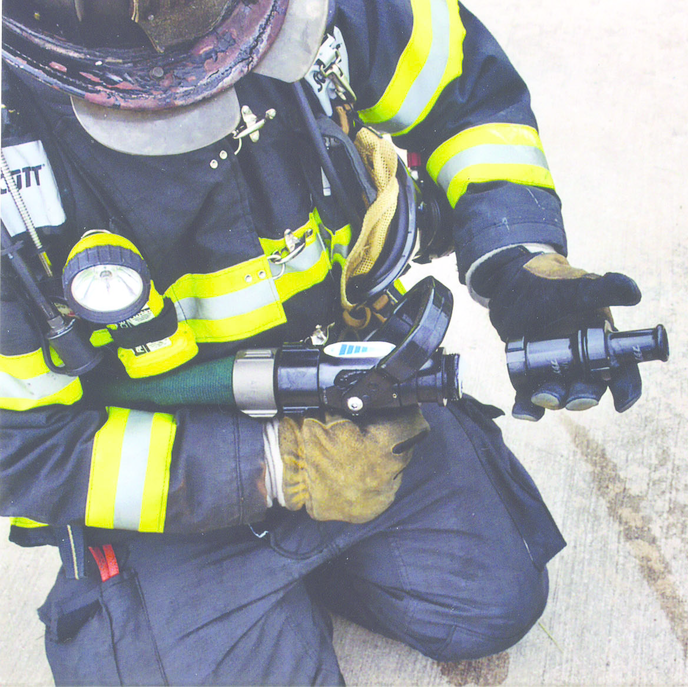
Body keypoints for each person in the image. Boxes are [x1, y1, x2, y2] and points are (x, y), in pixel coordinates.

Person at [0, 0, 645, 682]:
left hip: (355, 396)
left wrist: (520, 262)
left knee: (491, 601)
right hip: (171, 479)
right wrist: (273, 466)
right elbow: (25, 447)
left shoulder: (305, 9)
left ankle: (320, 554)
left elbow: (462, 91)